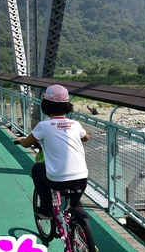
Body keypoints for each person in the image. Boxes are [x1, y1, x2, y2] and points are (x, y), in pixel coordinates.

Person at [17, 85, 90, 226]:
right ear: (68, 106)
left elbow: (26, 143)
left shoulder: (43, 126)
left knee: (37, 169)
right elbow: (86, 137)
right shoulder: (75, 124)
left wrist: (21, 140)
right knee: (75, 204)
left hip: (57, 180)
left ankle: (46, 209)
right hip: (81, 178)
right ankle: (87, 238)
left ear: (45, 106)